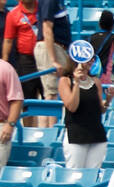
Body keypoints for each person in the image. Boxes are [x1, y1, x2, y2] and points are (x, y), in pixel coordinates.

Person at [57, 57, 106, 169]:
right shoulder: (65, 80)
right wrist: (76, 83)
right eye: (88, 58)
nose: (92, 61)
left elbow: (100, 110)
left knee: (93, 174)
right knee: (75, 172)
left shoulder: (96, 81)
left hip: (97, 134)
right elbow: (72, 107)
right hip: (76, 134)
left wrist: (108, 101)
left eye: (93, 58)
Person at [4, 0, 43, 130]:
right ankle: (28, 133)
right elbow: (8, 40)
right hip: (26, 61)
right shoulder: (13, 14)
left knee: (50, 96)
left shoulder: (43, 9)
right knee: (27, 98)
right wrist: (4, 63)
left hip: (44, 58)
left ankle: (50, 131)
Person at [34, 0, 70, 106]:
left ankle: (51, 122)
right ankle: (49, 123)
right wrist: (53, 60)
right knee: (51, 93)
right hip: (51, 48)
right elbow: (47, 29)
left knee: (55, 92)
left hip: (59, 48)